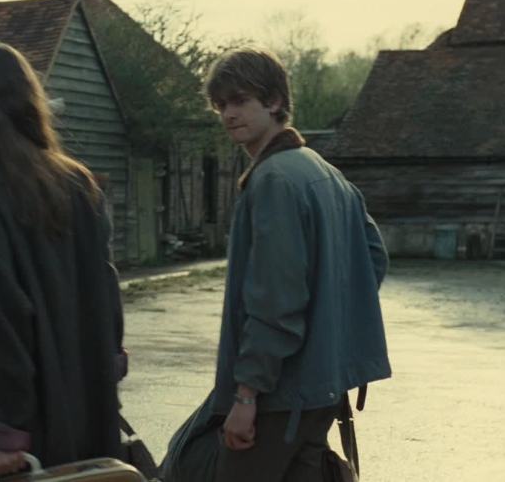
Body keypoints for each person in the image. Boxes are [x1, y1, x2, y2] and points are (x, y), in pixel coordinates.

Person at [162, 47, 391, 482]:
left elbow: (276, 301)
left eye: (240, 100)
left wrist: (246, 395)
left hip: (279, 394)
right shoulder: (324, 171)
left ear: (274, 102)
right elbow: (372, 259)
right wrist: (327, 333)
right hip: (320, 389)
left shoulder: (274, 181)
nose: (229, 114)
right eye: (221, 104)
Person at [0, 42, 125, 482]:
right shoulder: (78, 184)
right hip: (81, 409)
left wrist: (0, 433)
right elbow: (108, 301)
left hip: (20, 432)